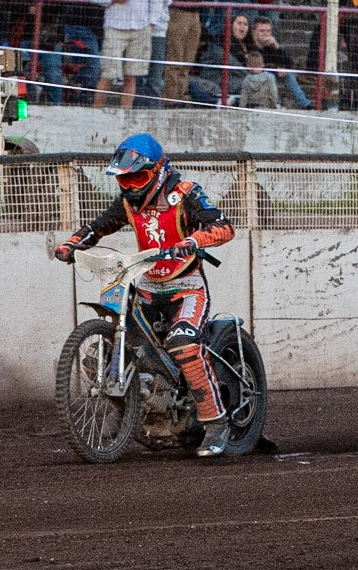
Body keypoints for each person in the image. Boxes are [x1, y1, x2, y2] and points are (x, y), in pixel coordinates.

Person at [54, 133, 237, 456]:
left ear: (159, 171)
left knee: (184, 343)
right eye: (125, 178)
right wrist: (71, 244)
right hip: (147, 286)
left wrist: (193, 241)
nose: (131, 185)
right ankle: (127, 414)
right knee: (109, 352)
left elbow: (223, 227)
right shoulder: (127, 202)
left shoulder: (185, 194)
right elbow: (98, 227)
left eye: (138, 176)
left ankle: (216, 423)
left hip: (187, 287)